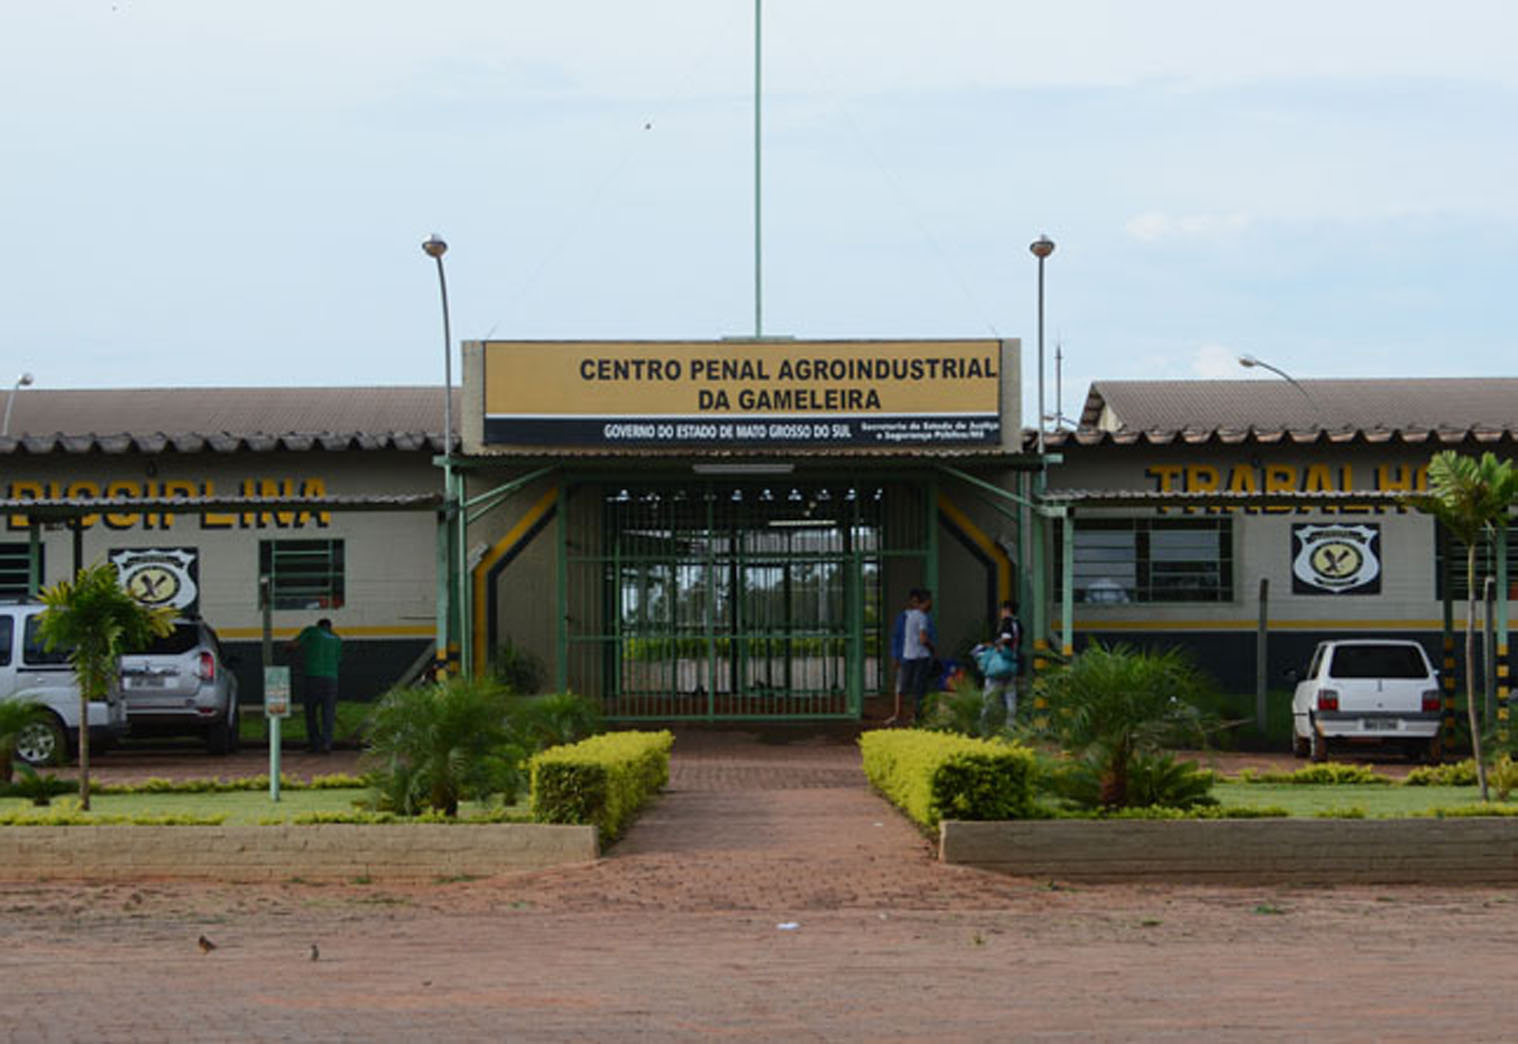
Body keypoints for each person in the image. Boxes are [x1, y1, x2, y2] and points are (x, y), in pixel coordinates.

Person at [288, 618, 341, 753]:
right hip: (331, 678)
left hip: (313, 676)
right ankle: (327, 743)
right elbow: (338, 659)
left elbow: (294, 645)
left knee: (311, 712)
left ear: (319, 625)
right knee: (328, 712)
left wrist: (287, 648)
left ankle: (315, 744)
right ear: (329, 627)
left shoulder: (311, 631)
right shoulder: (336, 638)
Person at [979, 599, 1022, 725]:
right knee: (1010, 695)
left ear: (1007, 610)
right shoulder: (1018, 624)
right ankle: (1011, 724)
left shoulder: (1007, 622)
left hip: (1000, 663)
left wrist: (994, 645)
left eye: (1002, 610)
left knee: (990, 694)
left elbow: (1006, 638)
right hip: (1012, 662)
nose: (1001, 613)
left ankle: (984, 723)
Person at [900, 588, 935, 723]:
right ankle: (918, 715)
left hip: (908, 655)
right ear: (925, 602)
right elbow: (923, 638)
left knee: (907, 687)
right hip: (921, 656)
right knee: (920, 688)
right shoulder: (922, 617)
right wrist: (931, 648)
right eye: (930, 601)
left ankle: (909, 714)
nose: (931, 604)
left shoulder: (908, 615)